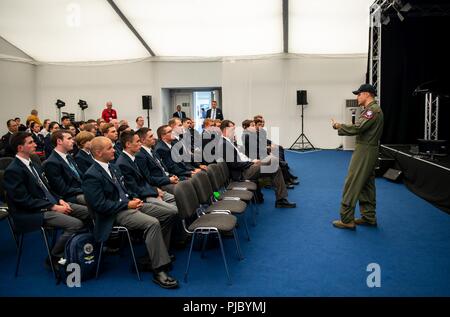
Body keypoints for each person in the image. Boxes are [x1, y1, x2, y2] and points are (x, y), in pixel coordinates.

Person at [82, 136, 178, 289]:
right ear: (99, 153)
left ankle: (154, 255)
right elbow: (100, 205)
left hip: (129, 205)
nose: (114, 149)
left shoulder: (112, 166)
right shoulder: (91, 175)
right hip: (113, 213)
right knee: (152, 223)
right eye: (109, 148)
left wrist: (134, 199)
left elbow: (125, 190)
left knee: (170, 213)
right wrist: (127, 204)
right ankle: (158, 269)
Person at [4, 132, 89, 267]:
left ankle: (82, 248)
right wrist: (53, 207)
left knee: (89, 212)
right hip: (31, 212)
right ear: (20, 148)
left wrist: (60, 200)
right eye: (30, 142)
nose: (35, 144)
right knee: (75, 224)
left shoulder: (34, 164)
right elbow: (23, 200)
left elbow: (48, 189)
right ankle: (54, 257)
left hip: (49, 203)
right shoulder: (13, 170)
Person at [331, 84, 384, 229]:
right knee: (367, 185)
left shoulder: (372, 110)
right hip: (369, 150)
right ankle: (369, 217)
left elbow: (358, 128)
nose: (357, 97)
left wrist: (338, 126)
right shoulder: (373, 110)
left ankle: (347, 219)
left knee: (352, 183)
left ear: (367, 94)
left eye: (359, 94)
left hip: (364, 151)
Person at [219, 120, 296, 208]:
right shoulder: (224, 144)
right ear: (225, 130)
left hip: (246, 167)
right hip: (243, 173)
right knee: (273, 161)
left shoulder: (228, 142)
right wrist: (251, 162)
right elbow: (234, 164)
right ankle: (281, 199)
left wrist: (252, 160)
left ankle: (281, 199)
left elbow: (240, 158)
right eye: (232, 130)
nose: (234, 132)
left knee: (275, 166)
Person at [43, 130, 86, 205]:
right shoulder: (52, 162)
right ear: (59, 141)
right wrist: (84, 189)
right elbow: (62, 190)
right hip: (71, 196)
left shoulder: (68, 156)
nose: (73, 141)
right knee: (97, 200)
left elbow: (80, 176)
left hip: (81, 190)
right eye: (69, 139)